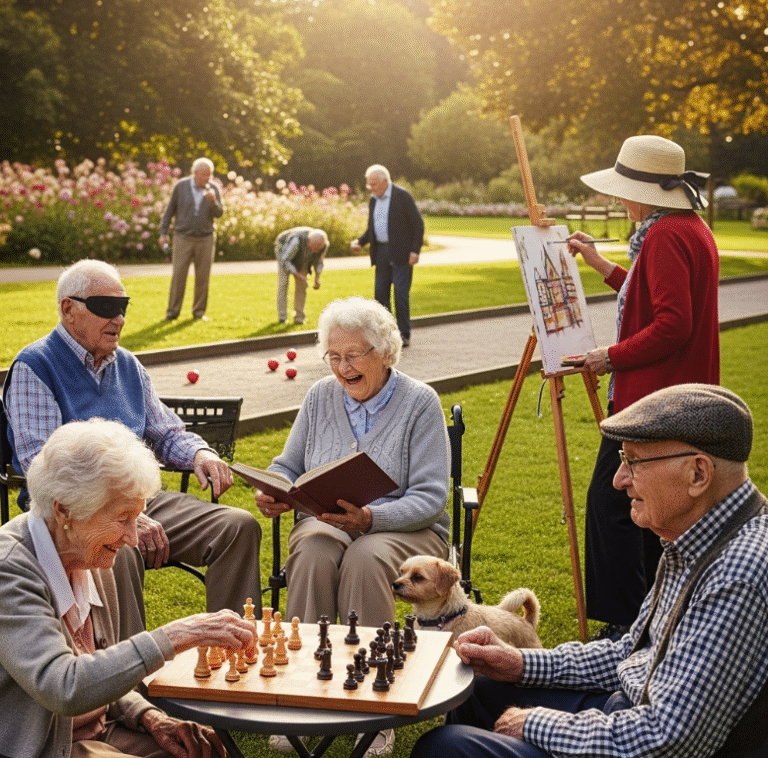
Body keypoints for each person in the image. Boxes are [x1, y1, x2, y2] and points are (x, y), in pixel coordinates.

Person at [411, 383, 768, 758]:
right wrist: (519, 663)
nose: (619, 479)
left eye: (634, 462)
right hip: (627, 708)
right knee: (478, 690)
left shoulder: (737, 574)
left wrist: (534, 722)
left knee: (444, 748)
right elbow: (632, 653)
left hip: (645, 737)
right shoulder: (698, 536)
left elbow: (667, 737)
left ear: (698, 474)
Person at [2, 259, 262, 640]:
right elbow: (40, 462)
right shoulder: (35, 366)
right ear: (68, 309)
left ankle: (236, 649)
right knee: (116, 549)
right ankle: (130, 678)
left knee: (237, 527)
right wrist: (123, 521)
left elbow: (166, 431)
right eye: (105, 308)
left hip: (139, 502)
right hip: (74, 514)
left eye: (123, 307)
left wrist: (199, 454)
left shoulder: (128, 365)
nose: (119, 319)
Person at [255, 297, 449, 756]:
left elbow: (430, 496)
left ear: (384, 352)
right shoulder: (321, 395)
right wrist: (276, 489)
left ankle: (375, 706)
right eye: (334, 356)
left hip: (406, 528)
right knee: (314, 551)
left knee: (365, 558)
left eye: (354, 355)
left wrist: (371, 518)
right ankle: (300, 697)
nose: (343, 367)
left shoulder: (421, 403)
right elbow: (288, 463)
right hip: (327, 520)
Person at [0, 417, 260, 758]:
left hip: (100, 731)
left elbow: (99, 670)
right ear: (64, 511)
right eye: (123, 519)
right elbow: (64, 686)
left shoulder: (86, 552)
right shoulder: (9, 569)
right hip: (46, 748)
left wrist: (150, 716)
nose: (133, 538)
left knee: (203, 750)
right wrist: (177, 635)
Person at [566, 134, 719, 639]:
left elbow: (673, 323)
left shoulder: (664, 235)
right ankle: (657, 612)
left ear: (648, 192)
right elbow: (650, 297)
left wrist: (608, 356)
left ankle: (625, 623)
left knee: (611, 506)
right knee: (660, 508)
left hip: (654, 401)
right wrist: (600, 264)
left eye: (624, 189)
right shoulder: (685, 227)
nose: (618, 199)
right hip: (673, 396)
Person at [350, 165, 424, 346]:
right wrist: (360, 241)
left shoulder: (402, 196)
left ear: (385, 181)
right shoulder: (374, 200)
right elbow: (372, 229)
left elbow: (418, 224)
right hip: (381, 253)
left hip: (402, 253)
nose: (372, 188)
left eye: (374, 184)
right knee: (380, 295)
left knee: (400, 293)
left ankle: (404, 334)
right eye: (369, 185)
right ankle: (386, 334)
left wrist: (415, 251)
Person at [159, 157, 223, 321]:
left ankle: (199, 312)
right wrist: (163, 233)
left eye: (209, 174)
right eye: (203, 175)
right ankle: (172, 312)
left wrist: (213, 202)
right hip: (183, 237)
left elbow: (219, 213)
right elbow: (169, 211)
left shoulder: (213, 188)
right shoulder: (181, 187)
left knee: (203, 277)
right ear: (195, 173)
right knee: (178, 276)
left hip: (205, 238)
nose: (207, 178)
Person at [274, 226, 329, 324]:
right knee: (283, 284)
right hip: (284, 253)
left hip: (303, 257)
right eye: (314, 247)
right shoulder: (296, 241)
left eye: (318, 248)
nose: (315, 251)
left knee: (302, 286)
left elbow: (319, 261)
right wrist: (298, 274)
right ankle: (282, 317)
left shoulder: (323, 244)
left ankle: (299, 318)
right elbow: (285, 260)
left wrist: (317, 277)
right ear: (308, 241)